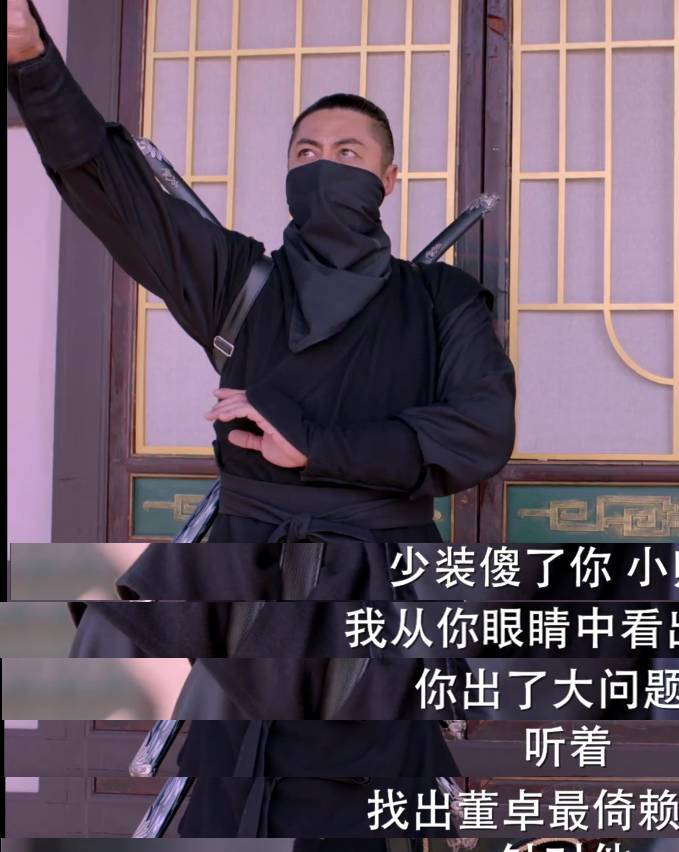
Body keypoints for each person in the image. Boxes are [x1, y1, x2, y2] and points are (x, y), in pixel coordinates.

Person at [7, 0, 515, 549]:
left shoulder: (443, 298)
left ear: (387, 179)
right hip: (247, 564)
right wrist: (35, 63)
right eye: (307, 153)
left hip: (390, 568)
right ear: (288, 171)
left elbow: (480, 433)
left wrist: (314, 445)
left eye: (348, 154)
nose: (324, 166)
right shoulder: (237, 283)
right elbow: (118, 195)